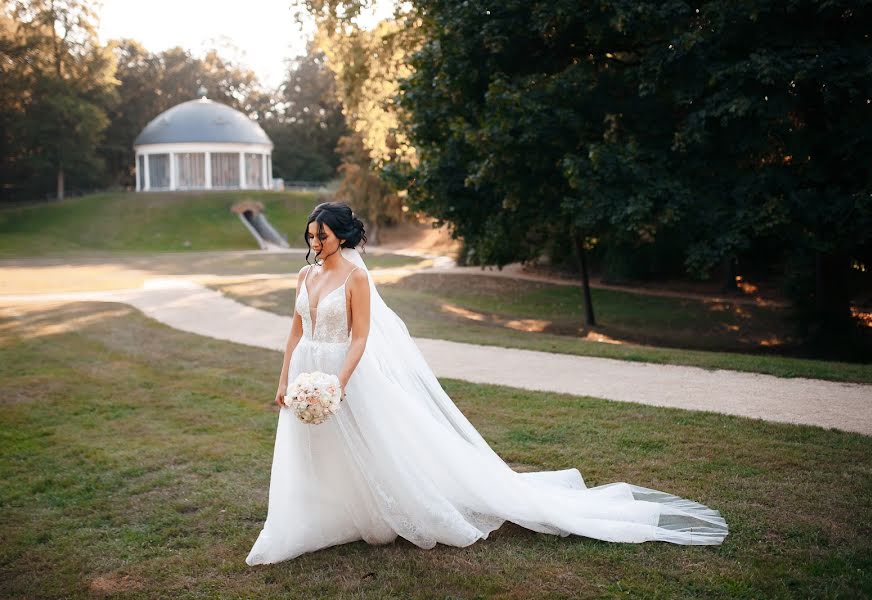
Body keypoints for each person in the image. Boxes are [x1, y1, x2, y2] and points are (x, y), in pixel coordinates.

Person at [245, 201, 729, 566]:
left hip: (342, 374)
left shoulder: (355, 278)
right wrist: (285, 378)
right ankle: (324, 513)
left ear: (344, 237)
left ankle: (380, 511)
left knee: (374, 446)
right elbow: (294, 330)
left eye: (324, 236)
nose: (316, 243)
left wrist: (339, 383)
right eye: (312, 235)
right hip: (307, 368)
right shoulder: (305, 276)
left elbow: (362, 337)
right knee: (316, 450)